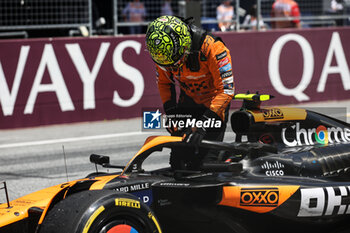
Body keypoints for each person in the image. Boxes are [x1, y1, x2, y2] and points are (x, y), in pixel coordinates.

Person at [145, 16, 235, 167]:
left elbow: (226, 90)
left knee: (206, 164)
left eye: (174, 61)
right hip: (188, 102)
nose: (171, 67)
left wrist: (203, 125)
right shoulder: (164, 54)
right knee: (178, 162)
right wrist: (171, 112)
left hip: (214, 106)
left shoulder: (213, 48)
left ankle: (225, 155)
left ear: (184, 46)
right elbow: (164, 83)